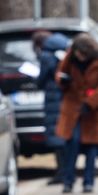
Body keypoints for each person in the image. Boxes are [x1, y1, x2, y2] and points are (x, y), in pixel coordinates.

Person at [55, 33, 98, 194]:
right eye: (78, 54)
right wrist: (63, 80)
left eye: (83, 55)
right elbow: (60, 73)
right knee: (72, 142)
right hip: (73, 105)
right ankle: (68, 180)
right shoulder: (70, 57)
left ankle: (88, 182)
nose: (80, 58)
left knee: (91, 145)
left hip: (94, 109)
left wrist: (91, 102)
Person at [33, 30, 70, 184]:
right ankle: (67, 171)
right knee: (64, 135)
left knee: (56, 136)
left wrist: (36, 80)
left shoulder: (46, 56)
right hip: (65, 98)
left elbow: (41, 80)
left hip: (52, 100)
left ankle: (60, 173)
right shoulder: (65, 50)